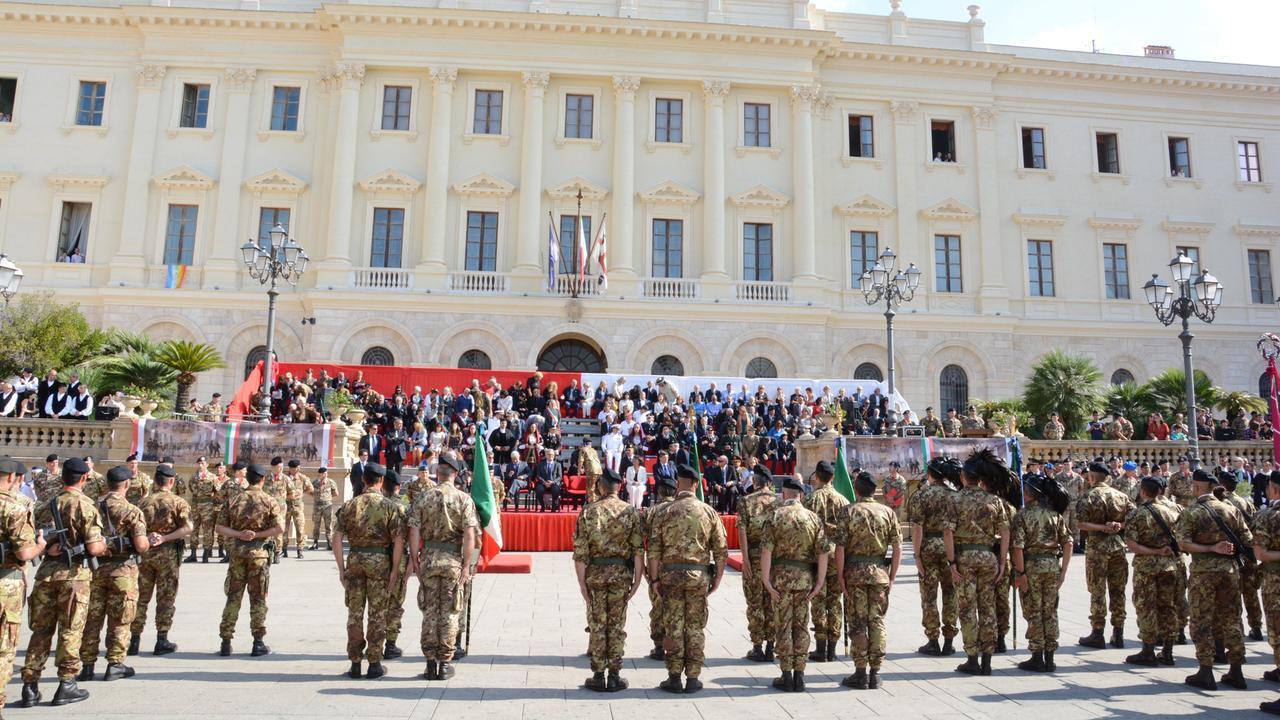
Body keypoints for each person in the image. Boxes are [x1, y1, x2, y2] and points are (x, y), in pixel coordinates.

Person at [21, 457, 106, 708]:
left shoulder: (44, 506)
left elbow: (31, 541)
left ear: (62, 478)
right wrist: (103, 545)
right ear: (84, 479)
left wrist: (49, 549)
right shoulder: (87, 506)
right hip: (74, 577)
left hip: (46, 574)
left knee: (41, 630)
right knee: (71, 629)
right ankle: (67, 684)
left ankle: (29, 685)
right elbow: (93, 546)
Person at [647, 463, 727, 694]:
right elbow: (721, 550)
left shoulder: (664, 511)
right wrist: (718, 579)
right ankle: (692, 677)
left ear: (678, 483)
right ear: (695, 484)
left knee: (673, 625)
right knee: (695, 627)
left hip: (669, 575)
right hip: (698, 576)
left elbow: (653, 550)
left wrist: (654, 579)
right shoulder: (708, 511)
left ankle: (674, 677)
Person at [1177, 469, 1253, 691]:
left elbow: (1183, 544)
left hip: (1203, 572)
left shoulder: (1192, 512)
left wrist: (1210, 547)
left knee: (1202, 619)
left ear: (1198, 487)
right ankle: (1236, 670)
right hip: (1229, 571)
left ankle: (1206, 670)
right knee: (1232, 618)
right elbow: (1247, 539)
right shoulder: (1231, 508)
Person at [331, 463, 405, 680]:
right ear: (381, 481)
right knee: (377, 613)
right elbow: (399, 540)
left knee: (354, 613)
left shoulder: (350, 505)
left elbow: (336, 537)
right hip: (380, 562)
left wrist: (341, 567)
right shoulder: (389, 506)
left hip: (355, 560)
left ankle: (355, 662)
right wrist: (394, 570)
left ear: (364, 480)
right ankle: (374, 663)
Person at [573, 467, 643, 692]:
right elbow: (638, 551)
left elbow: (580, 553)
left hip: (595, 575)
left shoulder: (588, 512)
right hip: (621, 576)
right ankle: (614, 675)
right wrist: (638, 581)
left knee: (597, 624)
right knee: (616, 625)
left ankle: (598, 674)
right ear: (620, 486)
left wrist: (582, 584)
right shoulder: (630, 512)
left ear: (601, 487)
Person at [78, 465, 150, 682]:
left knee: (92, 618)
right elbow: (140, 545)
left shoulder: (91, 507)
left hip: (95, 569)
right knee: (121, 618)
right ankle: (115, 663)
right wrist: (148, 542)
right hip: (122, 571)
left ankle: (88, 665)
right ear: (127, 484)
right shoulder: (131, 510)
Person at [408, 454, 477, 681]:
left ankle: (429, 663)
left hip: (428, 558)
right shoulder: (463, 499)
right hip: (453, 561)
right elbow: (469, 535)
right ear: (455, 474)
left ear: (437, 473)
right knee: (449, 611)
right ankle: (445, 664)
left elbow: (414, 529)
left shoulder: (423, 497)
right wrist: (467, 565)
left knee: (429, 610)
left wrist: (415, 557)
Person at [761, 474, 831, 693]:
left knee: (783, 626)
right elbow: (823, 552)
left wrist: (766, 581)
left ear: (784, 494)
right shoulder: (813, 518)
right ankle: (800, 674)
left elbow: (766, 551)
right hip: (804, 580)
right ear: (801, 494)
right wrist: (820, 582)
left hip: (780, 579)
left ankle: (786, 674)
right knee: (801, 626)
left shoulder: (775, 516)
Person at [945, 449, 1011, 676]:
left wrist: (952, 562)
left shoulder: (955, 499)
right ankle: (988, 659)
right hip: (988, 558)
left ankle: (972, 657)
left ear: (964, 478)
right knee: (988, 607)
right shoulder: (994, 501)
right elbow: (1005, 531)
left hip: (964, 558)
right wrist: (1002, 562)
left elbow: (948, 533)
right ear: (980, 479)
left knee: (967, 608)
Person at [835, 470, 901, 690]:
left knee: (858, 621)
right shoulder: (887, 512)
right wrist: (892, 576)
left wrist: (841, 575)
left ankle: (860, 671)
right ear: (876, 490)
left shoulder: (848, 512)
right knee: (877, 621)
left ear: (856, 489)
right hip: (879, 573)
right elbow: (898, 546)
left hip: (854, 574)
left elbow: (841, 548)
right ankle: (875, 671)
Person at [215, 463, 284, 658]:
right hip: (259, 556)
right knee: (259, 598)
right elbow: (279, 528)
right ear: (262, 479)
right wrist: (258, 535)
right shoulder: (269, 500)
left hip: (237, 553)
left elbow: (220, 528)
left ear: (248, 479)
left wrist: (239, 534)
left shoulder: (235, 499)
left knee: (233, 597)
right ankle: (258, 642)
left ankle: (226, 641)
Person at [1010, 473, 1073, 673]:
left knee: (1033, 610)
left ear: (1029, 494)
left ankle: (1037, 656)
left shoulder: (1022, 516)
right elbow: (1068, 542)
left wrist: (1020, 573)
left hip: (1031, 566)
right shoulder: (1055, 515)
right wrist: (1063, 571)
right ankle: (1050, 656)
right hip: (1052, 566)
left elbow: (1018, 547)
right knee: (1050, 610)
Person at [129, 463, 193, 657]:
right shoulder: (178, 502)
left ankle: (134, 639)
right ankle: (161, 638)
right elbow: (188, 527)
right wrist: (165, 538)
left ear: (155, 481)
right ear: (172, 481)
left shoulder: (142, 502)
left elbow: (132, 528)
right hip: (168, 555)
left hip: (145, 553)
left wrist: (147, 538)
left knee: (140, 597)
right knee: (166, 597)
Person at [1122, 475, 1181, 668]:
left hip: (1146, 567)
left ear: (1143, 491)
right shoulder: (1173, 511)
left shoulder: (1137, 514)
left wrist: (1154, 551)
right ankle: (1168, 650)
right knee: (1168, 606)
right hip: (1169, 566)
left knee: (1146, 607)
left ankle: (1148, 650)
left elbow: (1132, 545)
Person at [1075, 461, 1134, 649]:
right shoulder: (1121, 496)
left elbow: (1081, 524)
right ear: (1107, 477)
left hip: (1097, 546)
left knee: (1097, 589)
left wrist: (1102, 527)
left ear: (1092, 476)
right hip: (1118, 546)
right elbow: (1133, 519)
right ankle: (1119, 632)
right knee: (1118, 589)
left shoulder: (1088, 497)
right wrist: (1118, 526)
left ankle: (1098, 632)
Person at [0, 457, 44, 709]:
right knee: (5, 647)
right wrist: (40, 544)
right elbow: (24, 553)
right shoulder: (15, 508)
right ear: (11, 478)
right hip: (6, 582)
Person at [910, 457, 960, 656]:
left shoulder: (922, 495)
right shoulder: (954, 495)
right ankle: (949, 639)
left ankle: (933, 639)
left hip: (928, 548)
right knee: (951, 592)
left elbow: (917, 527)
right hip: (950, 547)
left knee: (929, 595)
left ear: (930, 475)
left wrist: (916, 554)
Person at [802, 459, 849, 663]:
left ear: (817, 477)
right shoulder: (843, 501)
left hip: (816, 556)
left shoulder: (810, 500)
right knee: (835, 601)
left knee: (819, 599)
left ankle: (821, 646)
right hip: (837, 555)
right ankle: (832, 647)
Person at [737, 465, 779, 663]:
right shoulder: (779, 502)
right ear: (769, 482)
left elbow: (742, 531)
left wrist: (744, 558)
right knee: (772, 601)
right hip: (774, 558)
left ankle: (757, 646)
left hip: (753, 556)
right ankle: (772, 644)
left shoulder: (745, 501)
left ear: (755, 483)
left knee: (755, 603)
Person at [1253, 471, 1280, 697]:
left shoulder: (1268, 517)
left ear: (1273, 488)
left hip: (1275, 582)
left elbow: (1261, 553)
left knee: (1278, 633)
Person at [187, 458, 220, 563]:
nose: (200, 465)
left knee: (207, 530)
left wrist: (212, 501)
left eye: (203, 463)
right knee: (194, 529)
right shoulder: (193, 476)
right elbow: (191, 488)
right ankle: (193, 554)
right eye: (199, 463)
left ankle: (206, 553)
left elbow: (218, 490)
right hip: (196, 504)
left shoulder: (212, 477)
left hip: (207, 505)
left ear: (207, 465)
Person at [263, 457, 289, 563]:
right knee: (268, 529)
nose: (281, 469)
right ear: (273, 467)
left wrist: (282, 500)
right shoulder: (266, 478)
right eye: (279, 467)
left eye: (282, 467)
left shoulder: (286, 479)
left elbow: (293, 492)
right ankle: (268, 551)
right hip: (267, 508)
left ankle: (277, 552)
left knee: (279, 529)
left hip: (280, 508)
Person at [283, 460, 309, 560]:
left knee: (300, 528)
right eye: (295, 468)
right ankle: (284, 549)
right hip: (286, 506)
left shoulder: (303, 478)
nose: (297, 470)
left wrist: (299, 494)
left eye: (298, 468)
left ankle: (300, 550)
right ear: (290, 468)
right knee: (284, 528)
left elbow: (309, 488)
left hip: (298, 506)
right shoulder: (285, 478)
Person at [310, 468, 339, 551]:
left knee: (328, 525)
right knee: (316, 525)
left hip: (327, 506)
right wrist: (317, 497)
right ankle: (315, 542)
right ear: (319, 474)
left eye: (326, 473)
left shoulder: (331, 482)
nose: (324, 475)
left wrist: (327, 498)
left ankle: (329, 543)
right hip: (317, 506)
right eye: (323, 473)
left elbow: (336, 493)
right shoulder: (315, 483)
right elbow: (311, 492)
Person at [534, 447, 562, 512]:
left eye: (552, 455)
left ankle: (554, 507)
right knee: (538, 489)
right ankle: (543, 506)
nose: (551, 456)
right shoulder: (540, 464)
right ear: (546, 455)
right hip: (543, 483)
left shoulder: (558, 464)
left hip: (553, 483)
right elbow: (538, 475)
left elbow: (559, 476)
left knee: (556, 489)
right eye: (549, 454)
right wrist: (544, 482)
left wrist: (552, 482)